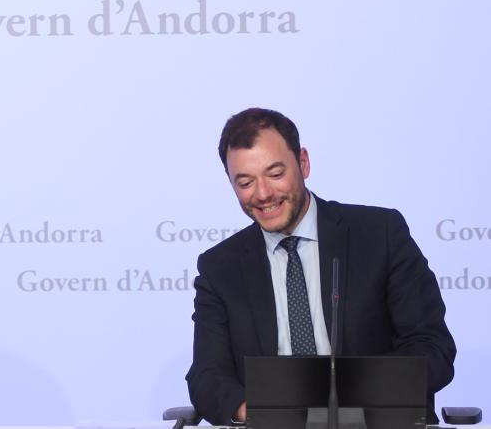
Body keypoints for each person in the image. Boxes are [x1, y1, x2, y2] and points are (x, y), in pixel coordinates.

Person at [186, 107, 455, 425]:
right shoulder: (220, 268)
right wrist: (269, 412)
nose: (263, 194)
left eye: (275, 174)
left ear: (303, 163)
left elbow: (432, 349)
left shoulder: (380, 234)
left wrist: (343, 402)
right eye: (245, 182)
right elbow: (207, 378)